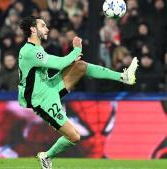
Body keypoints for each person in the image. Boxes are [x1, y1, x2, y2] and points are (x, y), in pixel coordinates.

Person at [18, 16, 138, 169]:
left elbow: (58, 64)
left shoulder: (37, 49)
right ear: (33, 29)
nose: (47, 28)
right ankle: (46, 156)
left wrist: (74, 56)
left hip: (50, 87)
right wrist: (76, 49)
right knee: (74, 136)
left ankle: (123, 76)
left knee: (80, 66)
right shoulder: (29, 51)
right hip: (41, 99)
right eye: (43, 25)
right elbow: (59, 63)